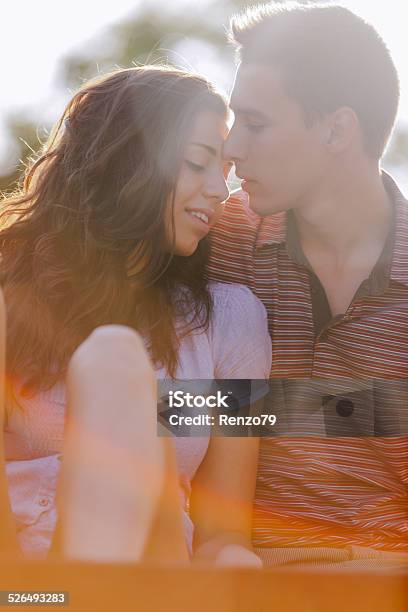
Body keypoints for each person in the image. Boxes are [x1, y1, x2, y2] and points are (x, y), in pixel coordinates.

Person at [0, 66, 271, 564]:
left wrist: (235, 566)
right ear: (128, 159)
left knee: (114, 358)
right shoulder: (6, 296)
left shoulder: (233, 320)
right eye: (197, 163)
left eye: (226, 174)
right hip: (22, 584)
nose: (221, 191)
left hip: (152, 576)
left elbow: (223, 535)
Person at [208, 2, 408, 569]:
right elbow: (153, 409)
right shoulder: (219, 239)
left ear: (338, 129)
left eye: (257, 124)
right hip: (232, 581)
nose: (232, 149)